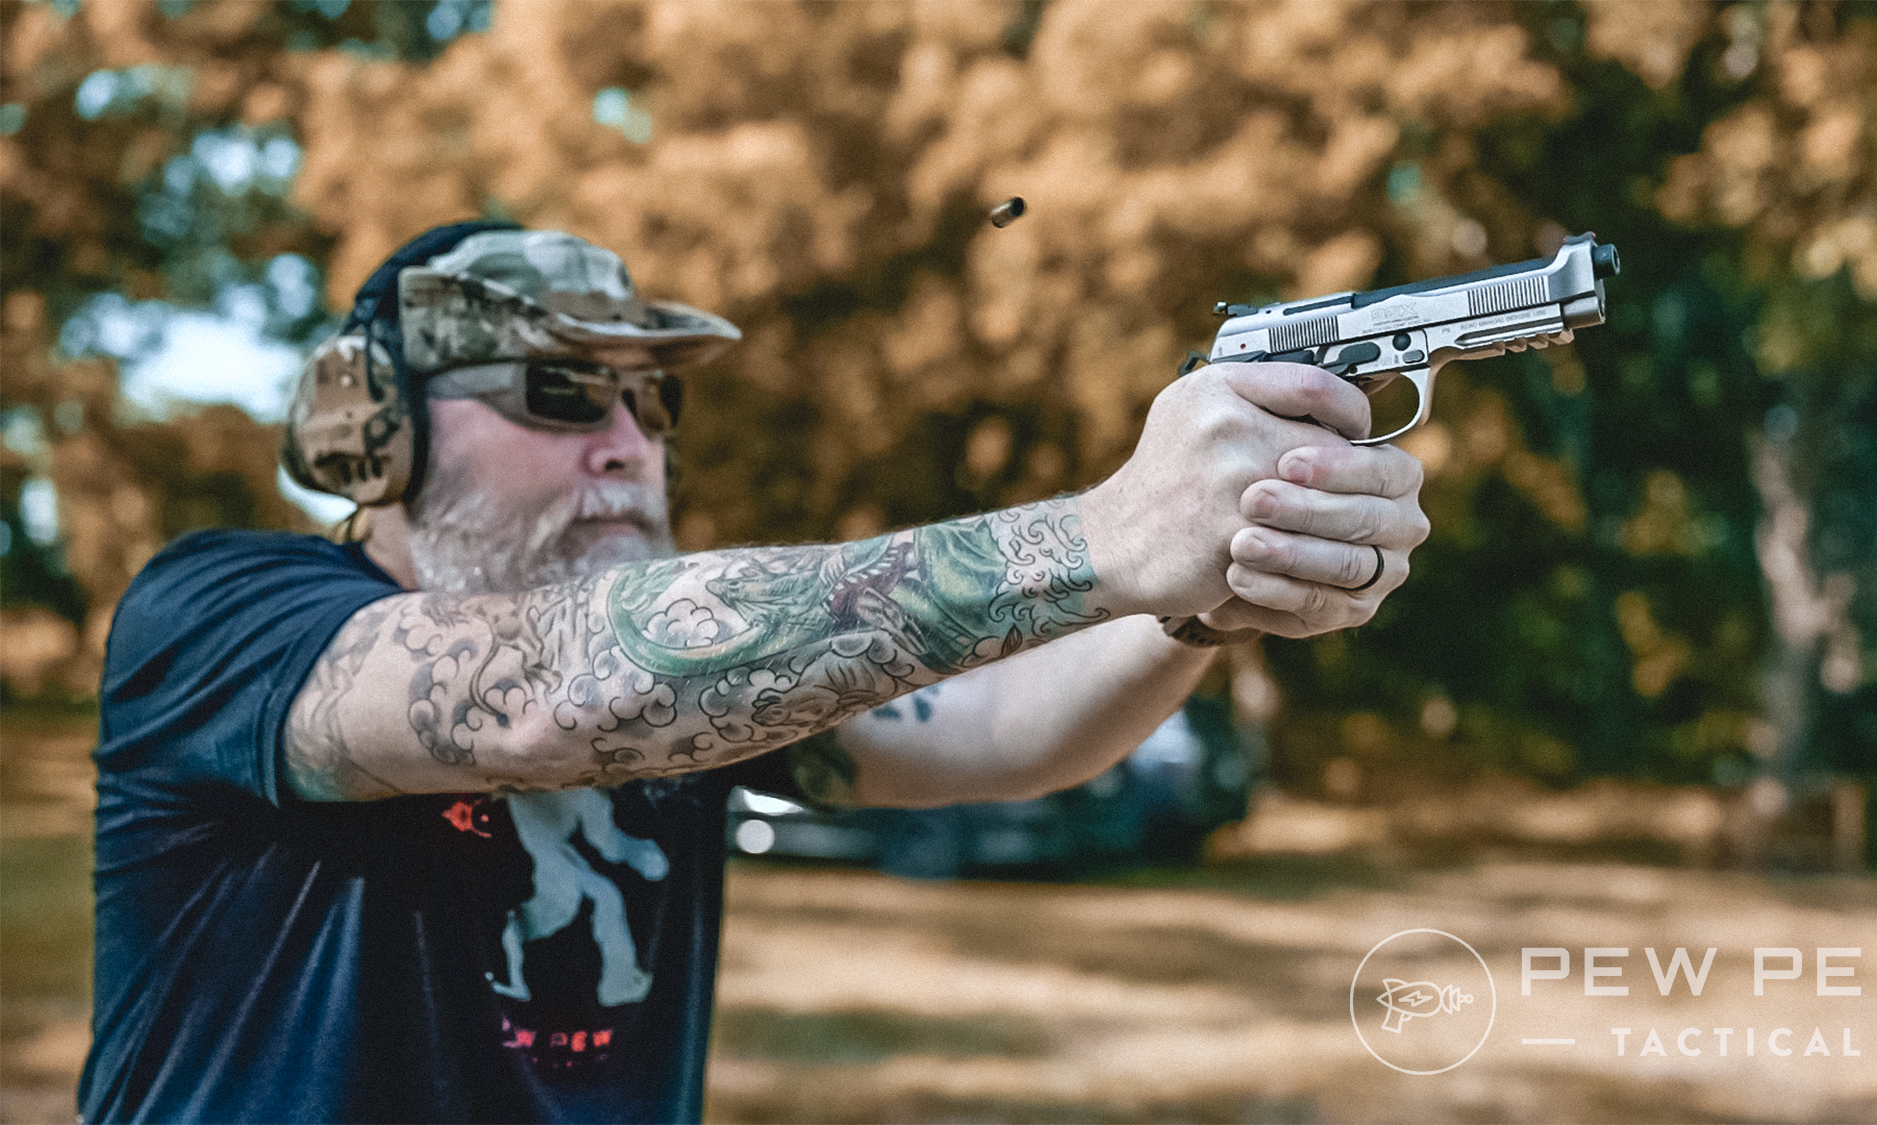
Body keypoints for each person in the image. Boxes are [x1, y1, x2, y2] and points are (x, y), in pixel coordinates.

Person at [79, 222, 1428, 1123]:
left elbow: (1007, 729)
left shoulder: (717, 682)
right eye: (559, 391)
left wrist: (1194, 596)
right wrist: (1100, 532)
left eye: (650, 398)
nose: (627, 440)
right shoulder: (224, 618)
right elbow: (573, 689)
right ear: (374, 435)